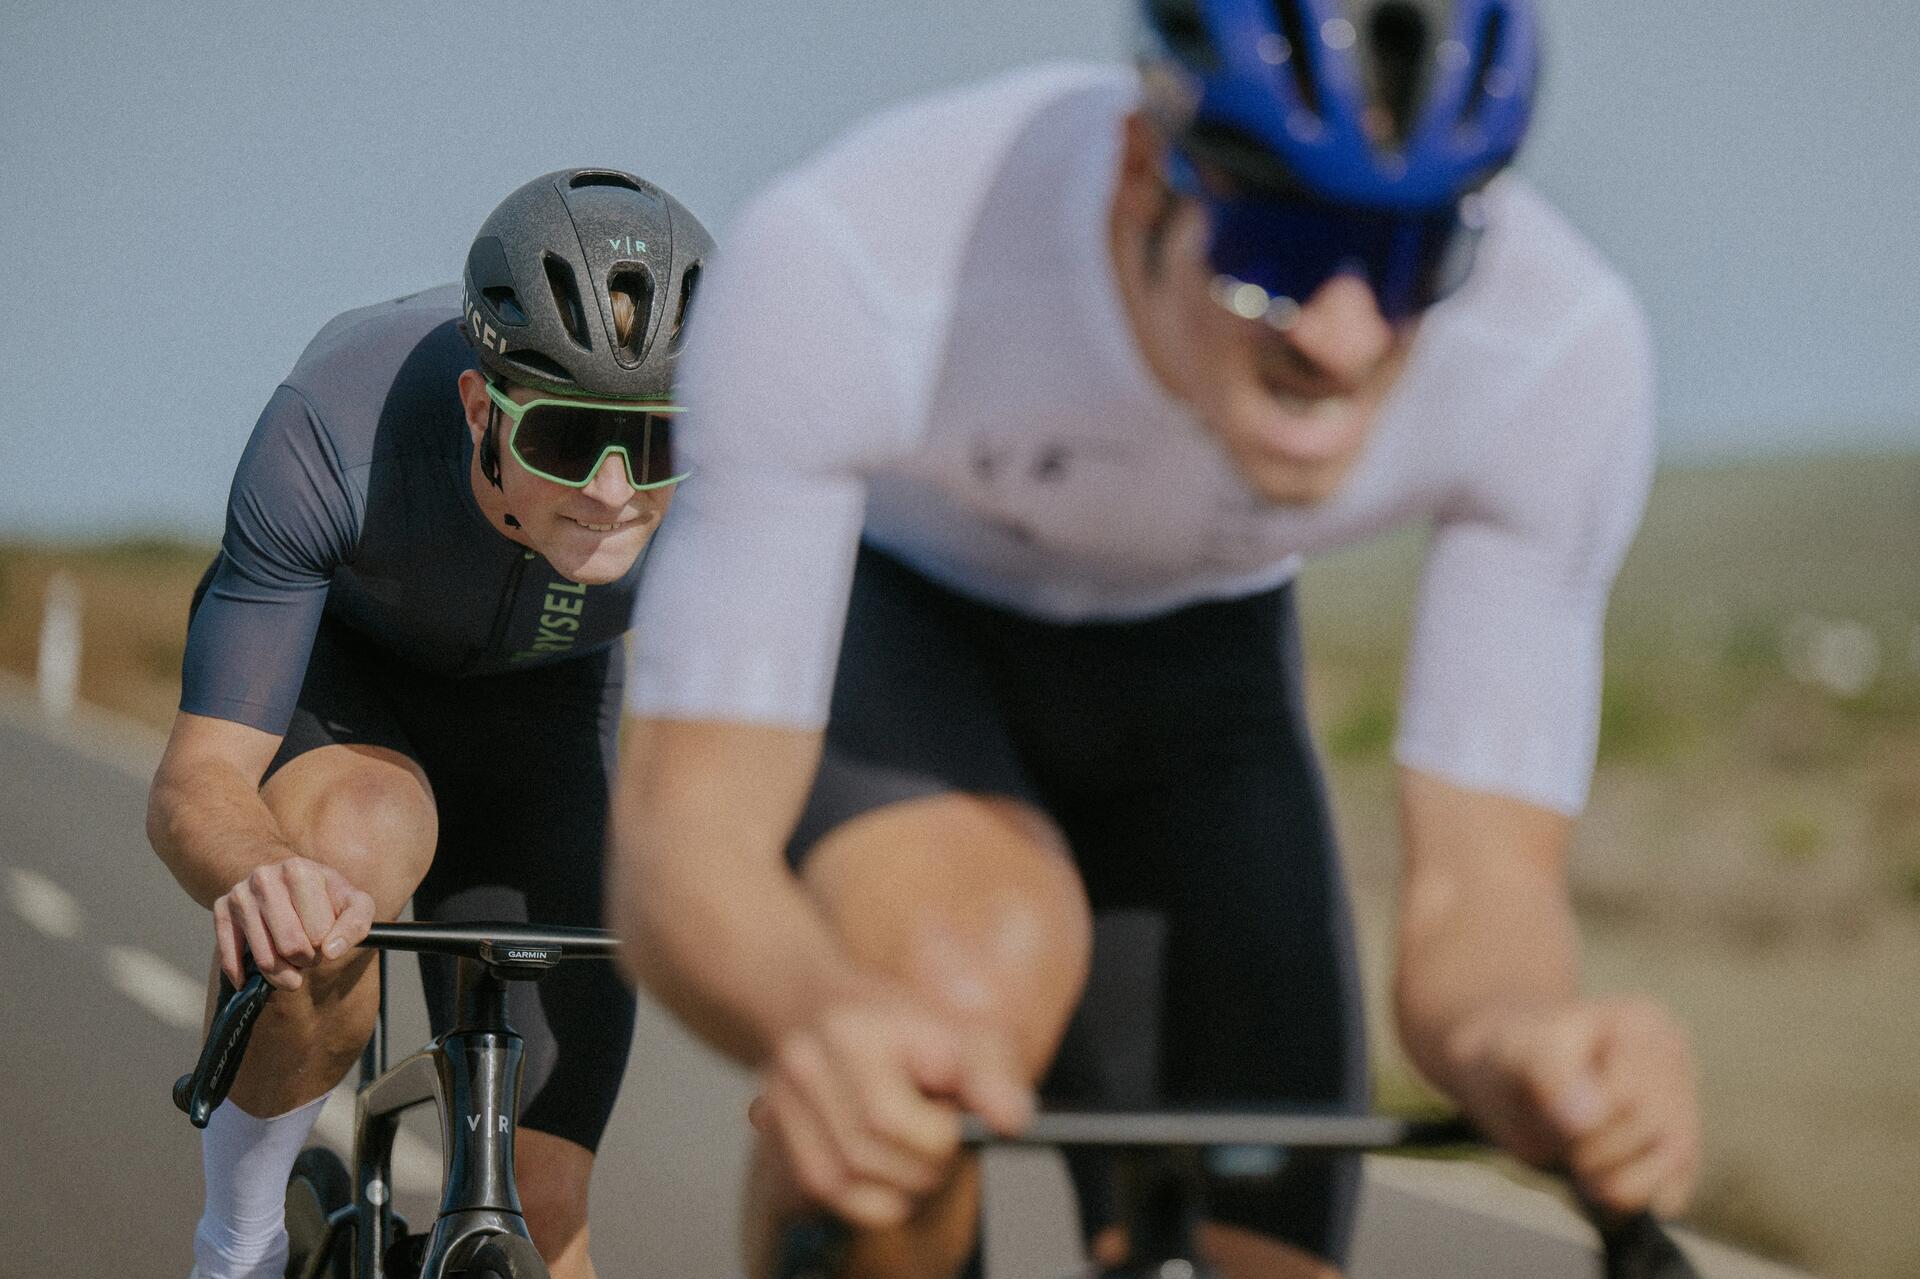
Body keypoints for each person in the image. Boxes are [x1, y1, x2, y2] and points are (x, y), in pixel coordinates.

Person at [612, 2, 1700, 1276]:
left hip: (1203, 683)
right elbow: (687, 841)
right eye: (1280, 247)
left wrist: (1533, 1045)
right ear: (1145, 172)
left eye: (1412, 259)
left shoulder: (1557, 351)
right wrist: (816, 1016)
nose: (1341, 338)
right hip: (903, 628)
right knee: (943, 1004)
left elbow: (1483, 891)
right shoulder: (858, 258)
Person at [146, 167, 711, 1279]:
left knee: (548, 1224)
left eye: (649, 441)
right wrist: (265, 871)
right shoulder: (333, 422)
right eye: (565, 436)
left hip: (546, 719)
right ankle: (244, 1241)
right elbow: (194, 785)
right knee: (355, 841)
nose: (610, 491)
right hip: (349, 693)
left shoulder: (737, 477)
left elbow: (808, 766)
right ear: (478, 408)